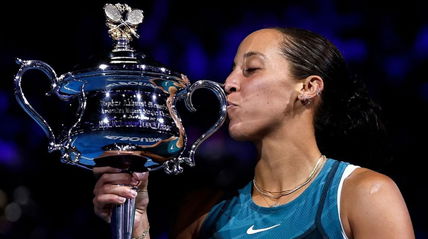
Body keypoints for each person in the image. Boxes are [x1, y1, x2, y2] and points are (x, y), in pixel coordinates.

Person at [92, 27, 415, 239]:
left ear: (308, 87)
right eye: (232, 69)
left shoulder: (363, 194)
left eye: (251, 69)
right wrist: (138, 227)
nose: (229, 82)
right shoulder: (202, 210)